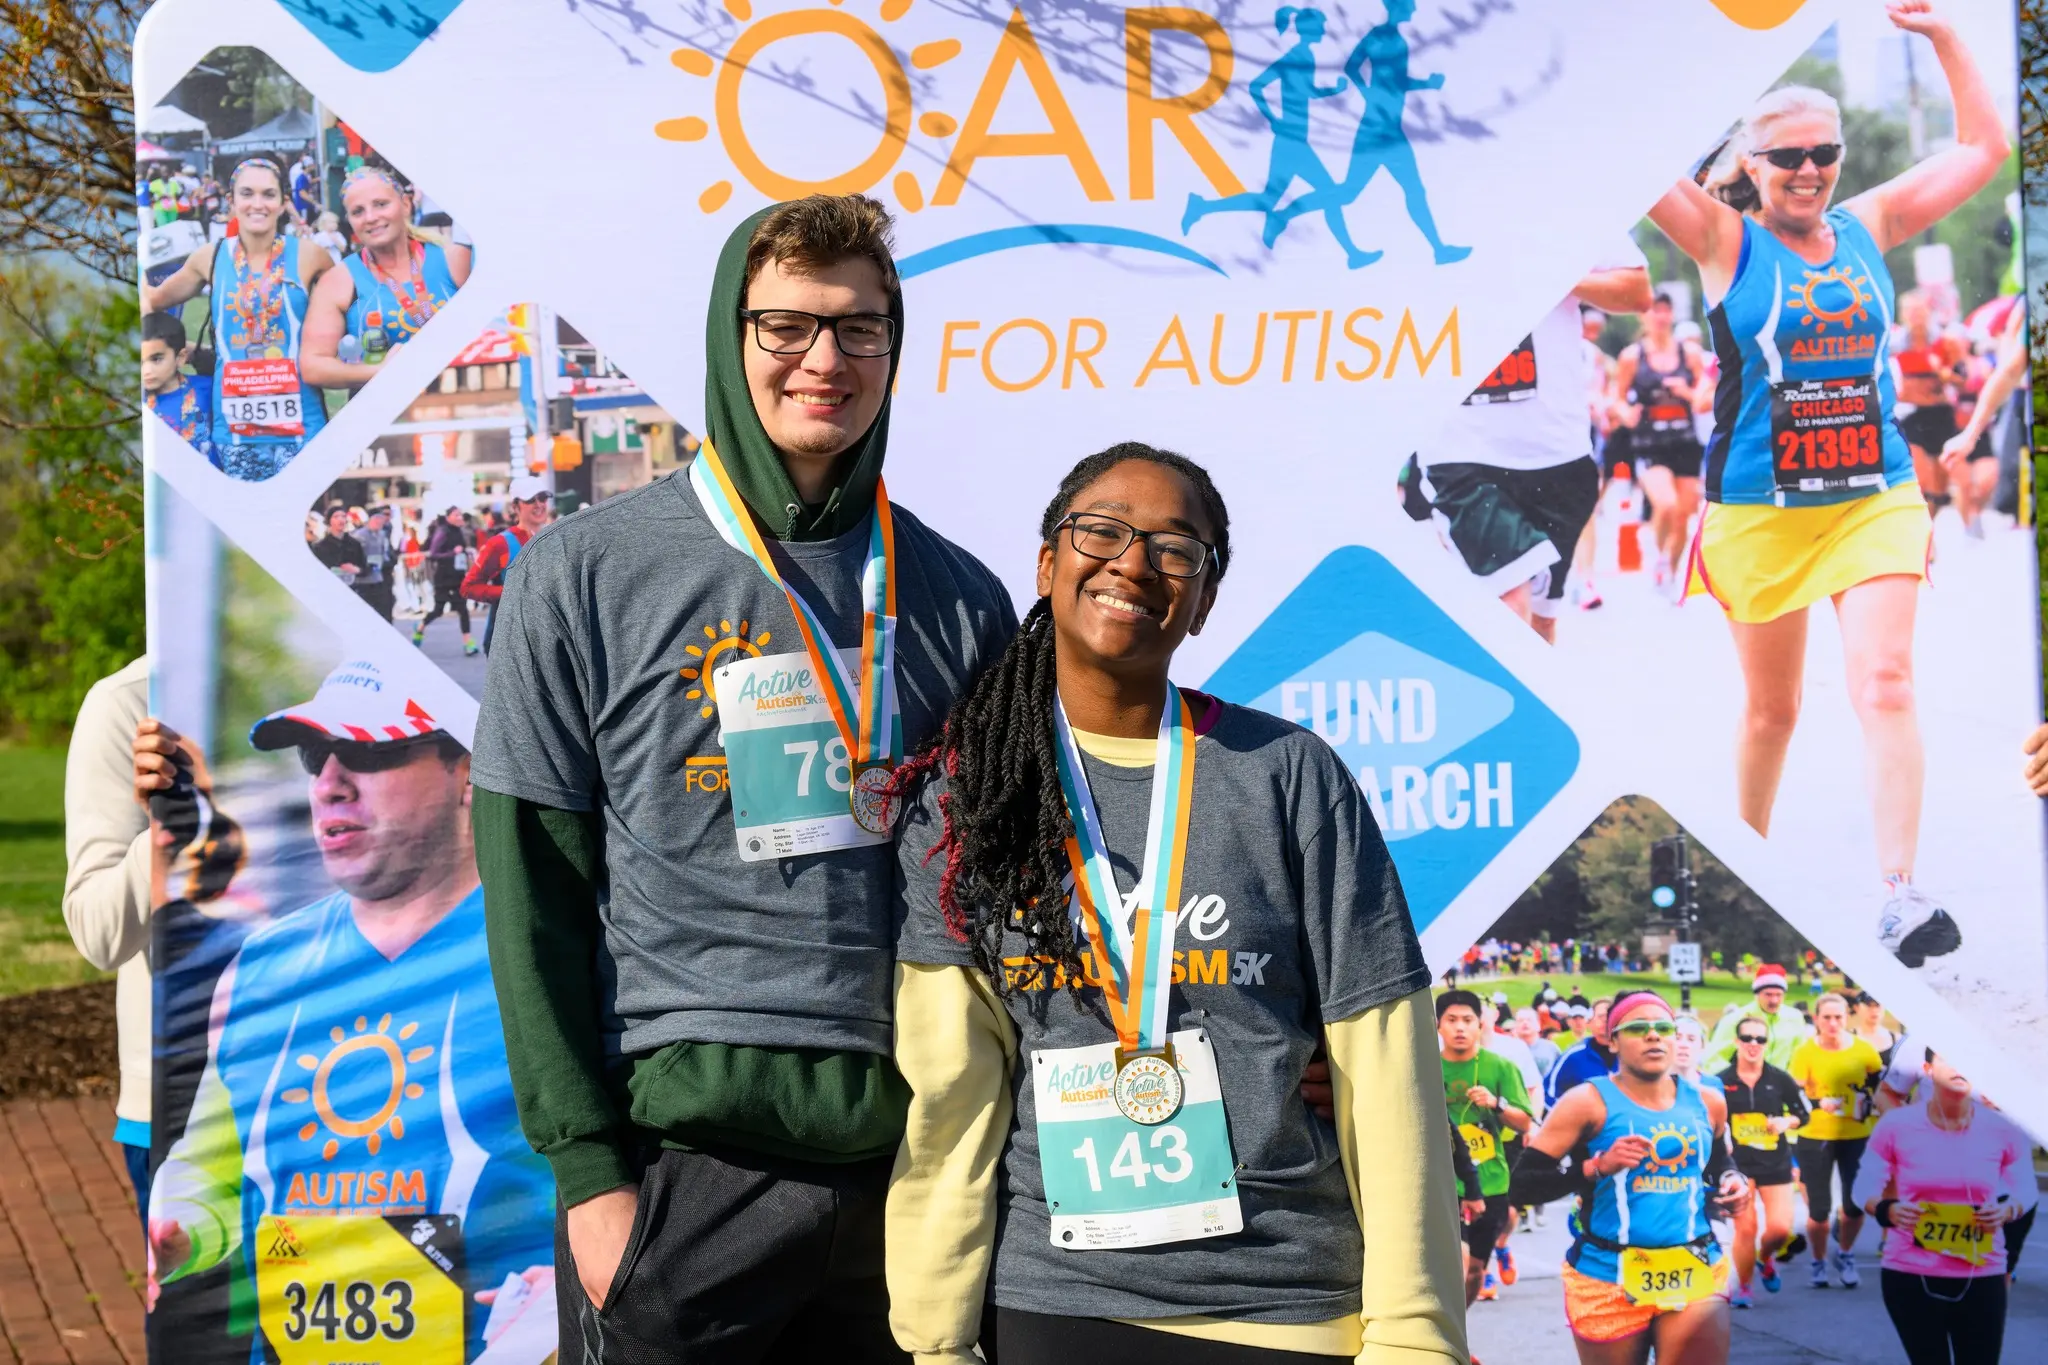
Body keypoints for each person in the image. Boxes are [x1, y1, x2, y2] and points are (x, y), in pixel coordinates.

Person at [471, 194, 1016, 1362]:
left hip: (908, 1172)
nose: (824, 360)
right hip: (684, 1166)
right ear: (732, 336)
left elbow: (1004, 895)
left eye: (859, 328)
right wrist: (590, 1177)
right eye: (786, 326)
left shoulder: (962, 600)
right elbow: (531, 889)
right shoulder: (584, 574)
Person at [884, 443, 1464, 1364]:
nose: (1133, 564)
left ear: (1204, 599)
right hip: (1053, 1306)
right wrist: (936, 1339)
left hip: (1283, 1299)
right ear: (1048, 561)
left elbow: (1387, 1067)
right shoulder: (972, 796)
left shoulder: (1286, 775)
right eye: (1102, 532)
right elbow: (953, 1089)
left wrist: (1417, 1335)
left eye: (1174, 548)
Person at [1651, 0, 2008, 968]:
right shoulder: (1721, 240)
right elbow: (1627, 161)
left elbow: (1983, 148)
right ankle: (1743, 872)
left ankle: (1899, 895)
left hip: (1871, 495)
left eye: (1825, 153)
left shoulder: (1868, 224)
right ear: (1750, 164)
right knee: (1772, 712)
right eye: (1787, 157)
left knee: (1884, 682)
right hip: (1759, 510)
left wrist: (1943, 38)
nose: (1809, 170)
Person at [144, 661, 556, 1358]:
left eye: (366, 752)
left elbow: (639, 1165)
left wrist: (577, 1280)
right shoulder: (262, 966)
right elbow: (211, 1167)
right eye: (315, 756)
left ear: (466, 769)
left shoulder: (547, 946)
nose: (329, 783)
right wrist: (179, 1228)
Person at [1413, 254, 1652, 643]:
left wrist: (1553, 273)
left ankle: (1535, 682)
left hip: (1558, 454)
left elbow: (1637, 292)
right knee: (1509, 603)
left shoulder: (1553, 218)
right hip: (1462, 451)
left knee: (1541, 624)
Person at [1511, 991, 1748, 1364]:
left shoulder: (1708, 1101)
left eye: (1663, 1028)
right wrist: (1596, 1167)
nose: (1653, 1035)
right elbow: (1522, 1184)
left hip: (1694, 1264)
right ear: (1613, 1040)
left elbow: (1719, 1160)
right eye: (1638, 1028)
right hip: (1608, 1274)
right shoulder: (1585, 1102)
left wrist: (1733, 1179)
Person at [142, 156, 335, 481]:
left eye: (268, 194)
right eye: (247, 194)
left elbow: (349, 313)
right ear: (231, 202)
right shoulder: (210, 257)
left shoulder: (310, 255)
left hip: (303, 425)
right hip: (235, 432)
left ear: (283, 203)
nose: (257, 204)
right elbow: (152, 300)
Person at [1855, 1050, 2030, 1364]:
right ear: (1927, 1069)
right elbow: (1864, 1186)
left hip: (1982, 1271)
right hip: (1909, 1271)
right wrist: (1887, 1209)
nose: (1959, 1066)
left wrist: (2008, 1210)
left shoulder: (2002, 1128)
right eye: (1949, 1057)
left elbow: (2025, 1189)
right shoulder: (1897, 1125)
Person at [1263, 0, 1470, 265]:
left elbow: (1396, 82)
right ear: (1397, 7)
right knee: (1349, 193)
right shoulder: (1379, 37)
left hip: (1391, 129)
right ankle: (1283, 216)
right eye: (1410, 5)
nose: (1414, 10)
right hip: (1374, 129)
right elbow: (1352, 66)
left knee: (1413, 190)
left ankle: (1439, 250)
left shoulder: (1397, 40)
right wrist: (1366, 92)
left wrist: (1425, 84)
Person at [61, 658, 155, 1222]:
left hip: (364, 1093)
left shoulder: (369, 683)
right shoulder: (127, 702)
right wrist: (169, 826)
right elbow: (97, 933)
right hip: (186, 1115)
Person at [1179, 8, 1353, 251]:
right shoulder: (1297, 57)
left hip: (1294, 139)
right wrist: (1273, 118)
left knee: (1270, 198)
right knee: (1329, 193)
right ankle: (1348, 249)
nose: (1324, 30)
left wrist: (1331, 91)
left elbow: (1304, 91)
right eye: (1320, 25)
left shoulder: (1303, 55)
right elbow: (1259, 86)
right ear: (1309, 28)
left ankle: (1203, 207)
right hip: (1291, 141)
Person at [301, 166, 471, 390]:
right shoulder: (339, 280)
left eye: (381, 204)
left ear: (406, 205)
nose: (371, 218)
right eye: (358, 212)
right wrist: (380, 372)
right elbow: (313, 365)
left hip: (460, 395)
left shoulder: (453, 259)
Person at [1433, 990, 1532, 1312]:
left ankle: (1459, 1326)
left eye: (1467, 1020)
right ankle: (1446, 1332)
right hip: (1442, 1184)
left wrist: (1495, 1104)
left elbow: (1524, 1123)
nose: (1460, 1027)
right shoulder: (1426, 1068)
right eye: (1451, 1020)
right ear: (1438, 1025)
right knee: (1456, 1263)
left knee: (1475, 1271)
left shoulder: (1500, 1067)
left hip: (1490, 1181)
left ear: (1480, 1025)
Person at [1609, 290, 1709, 595]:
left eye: (1666, 310)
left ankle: (1669, 571)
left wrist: (1686, 392)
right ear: (1643, 316)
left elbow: (1704, 396)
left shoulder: (1689, 354)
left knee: (1684, 515)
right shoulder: (1632, 357)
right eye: (1654, 310)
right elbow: (1616, 398)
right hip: (1649, 443)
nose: (1661, 316)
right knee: (1666, 505)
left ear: (1672, 315)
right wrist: (1625, 413)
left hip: (1685, 441)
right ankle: (1659, 554)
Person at [1788, 992, 1886, 1289]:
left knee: (1854, 1205)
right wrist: (1819, 1104)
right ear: (1816, 1019)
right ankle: (1818, 1261)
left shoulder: (1864, 1051)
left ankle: (1845, 1253)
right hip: (1815, 1136)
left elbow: (1879, 1089)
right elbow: (1794, 1096)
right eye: (1827, 1018)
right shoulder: (1805, 1052)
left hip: (1856, 1135)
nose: (1833, 1023)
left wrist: (1870, 1105)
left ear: (1847, 1018)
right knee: (1819, 1210)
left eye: (1838, 1017)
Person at [1717, 1016, 1808, 1307]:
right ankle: (1744, 1288)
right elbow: (1711, 1120)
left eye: (1760, 1039)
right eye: (1747, 1038)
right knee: (1745, 1229)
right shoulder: (1721, 1081)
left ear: (1767, 1043)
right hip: (1737, 1166)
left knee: (1780, 1229)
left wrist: (1786, 1122)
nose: (1753, 1044)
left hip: (1775, 1162)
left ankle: (1765, 1257)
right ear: (1737, 1041)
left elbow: (1803, 1114)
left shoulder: (1779, 1078)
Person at [461, 476, 550, 654]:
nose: (539, 504)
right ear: (515, 507)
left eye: (542, 498)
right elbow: (468, 587)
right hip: (508, 644)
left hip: (547, 640)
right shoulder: (500, 543)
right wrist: (510, 592)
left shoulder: (556, 538)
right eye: (530, 500)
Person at [1702, 963, 1811, 1072]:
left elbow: (1800, 1056)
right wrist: (1735, 1077)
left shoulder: (1795, 1017)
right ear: (1757, 994)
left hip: (1782, 1080)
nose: (1774, 1001)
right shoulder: (1735, 1019)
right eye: (1768, 995)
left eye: (1779, 995)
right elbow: (1714, 1059)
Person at [140, 310, 214, 465]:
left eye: (156, 359)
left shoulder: (209, 387)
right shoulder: (141, 403)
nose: (147, 370)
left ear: (180, 358)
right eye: (141, 362)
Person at [414, 507, 476, 655]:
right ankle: (421, 626)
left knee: (463, 610)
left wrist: (466, 553)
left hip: (458, 576)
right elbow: (434, 554)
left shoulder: (459, 531)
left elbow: (460, 551)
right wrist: (452, 553)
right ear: (448, 517)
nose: (459, 517)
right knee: (438, 610)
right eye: (456, 515)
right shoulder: (442, 531)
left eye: (460, 515)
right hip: (443, 578)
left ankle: (468, 644)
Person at [1545, 996, 1615, 1106]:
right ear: (1590, 1022)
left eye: (1610, 1016)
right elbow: (1550, 1093)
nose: (1606, 1020)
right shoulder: (1573, 1056)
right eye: (1601, 1017)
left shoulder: (1629, 1055)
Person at [347, 504, 397, 622]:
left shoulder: (382, 534)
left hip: (380, 577)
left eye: (381, 520)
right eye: (377, 519)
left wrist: (390, 561)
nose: (380, 522)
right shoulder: (359, 536)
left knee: (385, 607)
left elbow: (386, 552)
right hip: (363, 579)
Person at [310, 502, 367, 586]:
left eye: (343, 516)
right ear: (329, 521)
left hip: (353, 587)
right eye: (336, 516)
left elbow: (365, 568)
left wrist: (357, 570)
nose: (341, 520)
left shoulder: (355, 544)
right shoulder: (319, 546)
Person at [1850, 990, 1898, 1067]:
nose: (1874, 1010)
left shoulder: (1896, 1039)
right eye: (1869, 1006)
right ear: (1857, 1008)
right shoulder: (1848, 1038)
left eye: (1877, 1006)